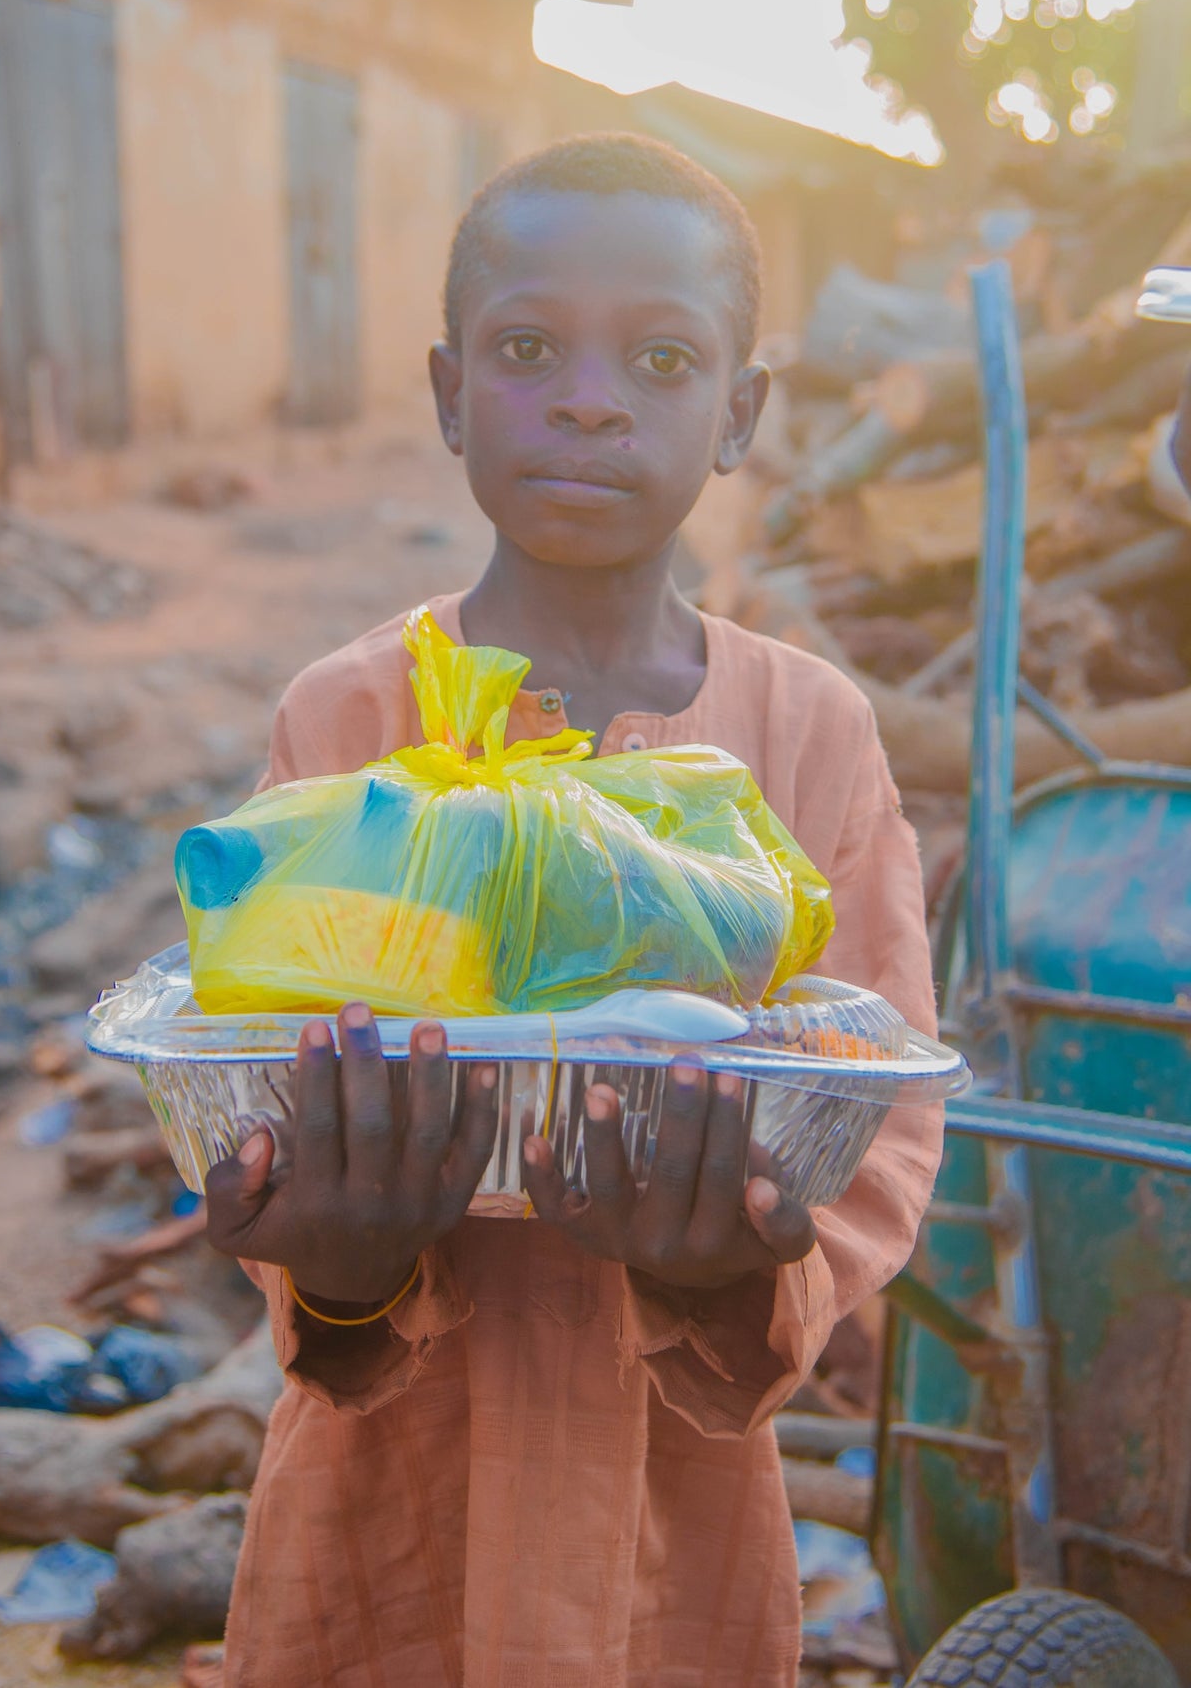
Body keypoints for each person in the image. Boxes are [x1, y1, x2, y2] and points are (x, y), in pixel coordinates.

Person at [205, 133, 944, 1687]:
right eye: (528, 348)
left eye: (663, 358)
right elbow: (253, 1065)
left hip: (670, 1531)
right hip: (384, 1504)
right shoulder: (350, 718)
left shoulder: (806, 732)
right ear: (449, 390)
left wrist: (731, 1261)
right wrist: (337, 1261)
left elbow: (879, 1112)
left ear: (741, 411)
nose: (591, 397)